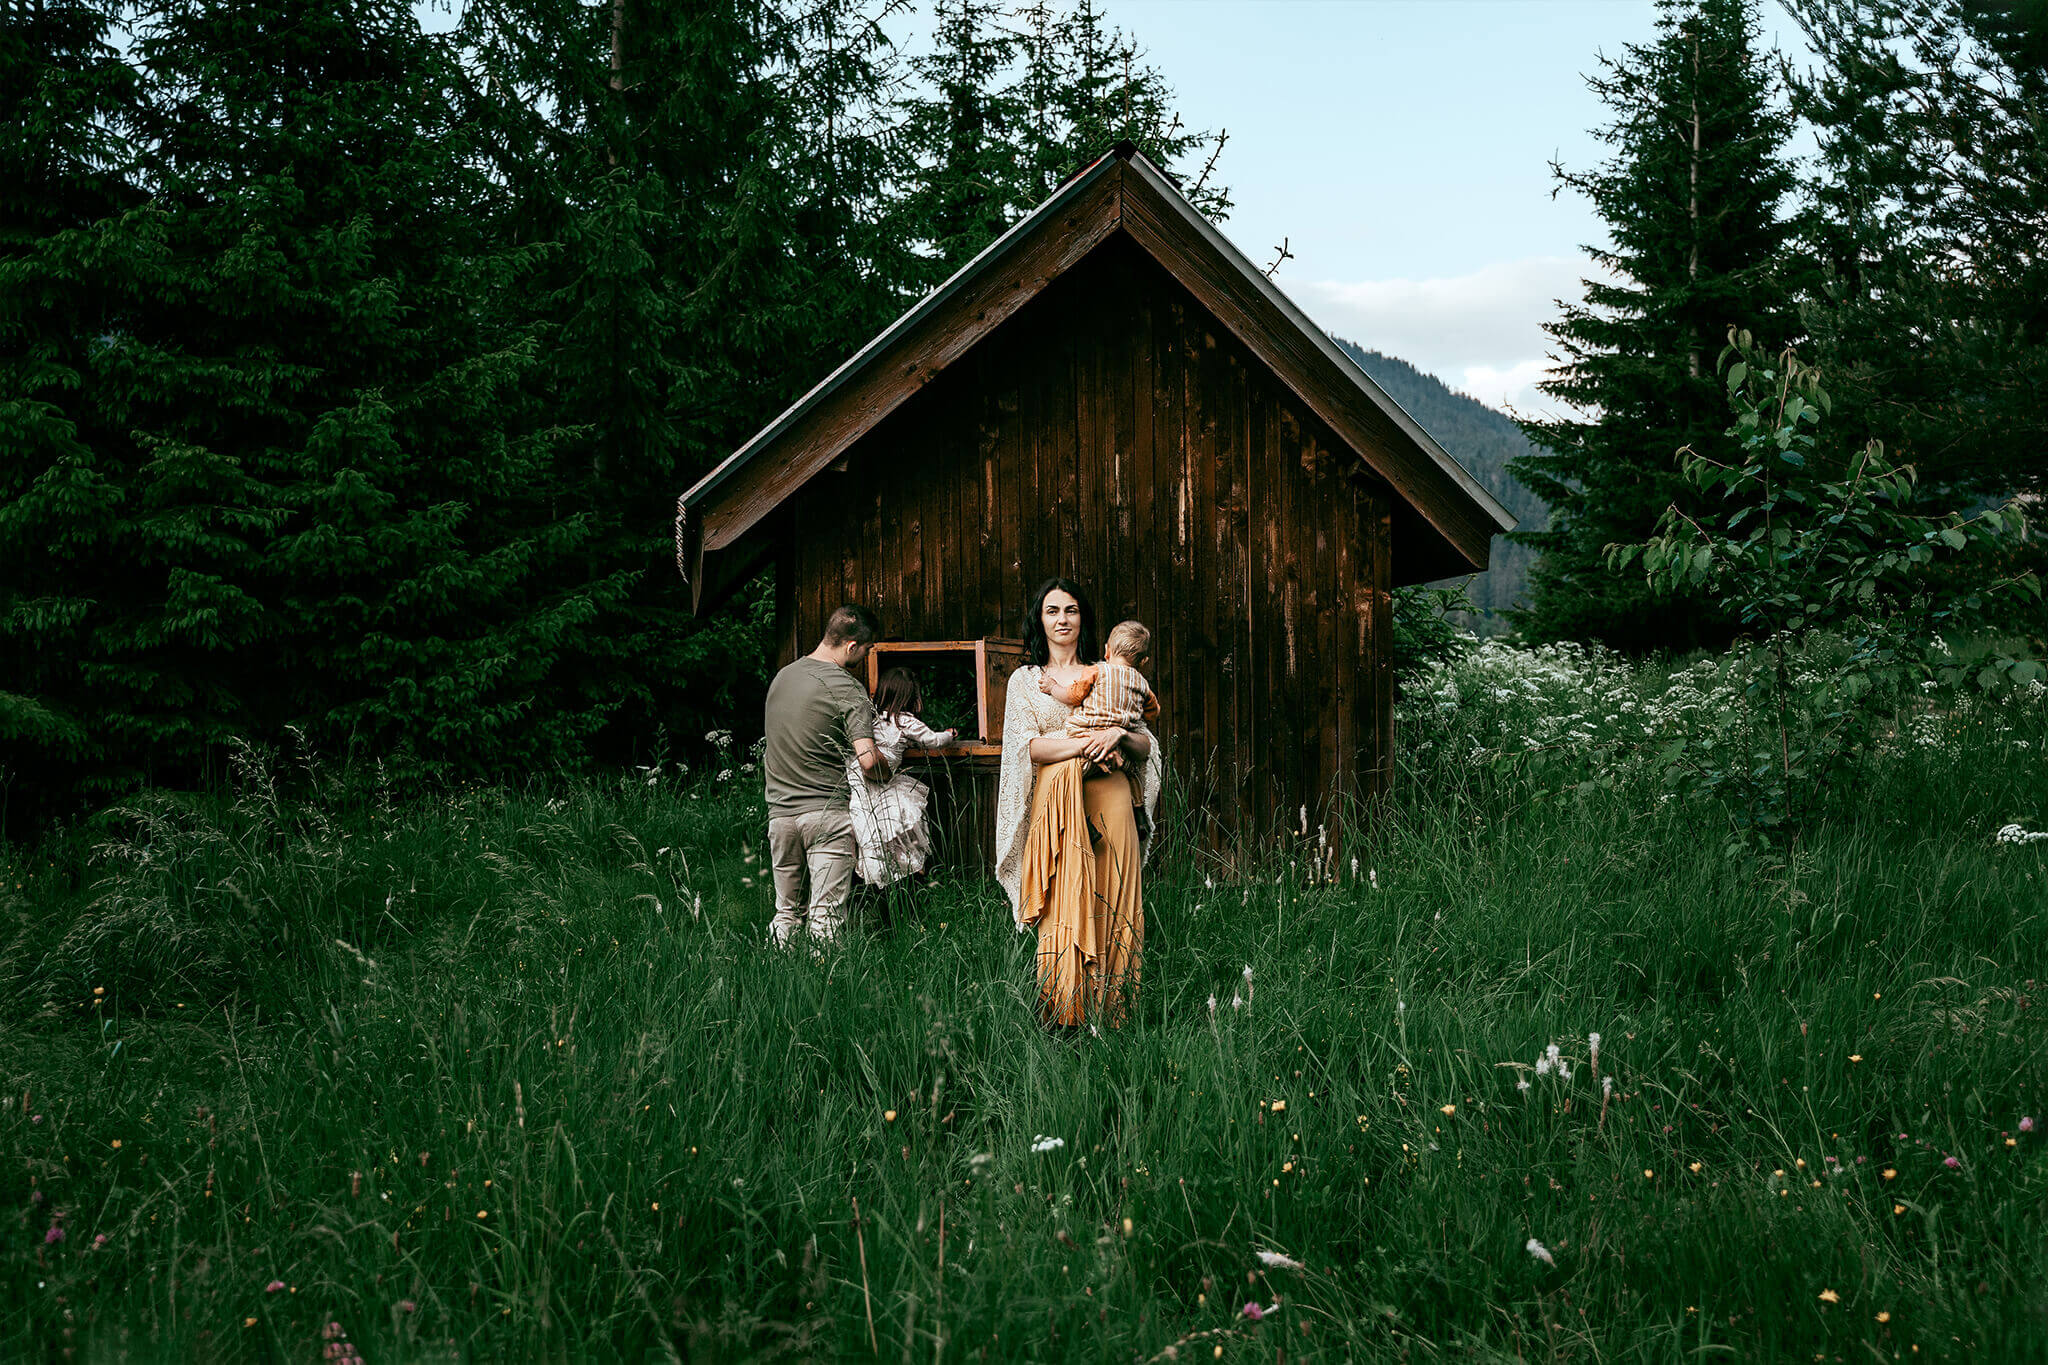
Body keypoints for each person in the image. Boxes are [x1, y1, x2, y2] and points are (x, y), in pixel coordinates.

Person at [994, 579, 1161, 1026]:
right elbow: (1026, 748)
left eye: (1070, 610)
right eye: (1052, 611)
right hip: (1059, 799)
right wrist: (1087, 743)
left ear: (1083, 618)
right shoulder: (1027, 682)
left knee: (1116, 892)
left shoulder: (1111, 673)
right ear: (1040, 620)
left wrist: (1120, 735)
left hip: (1111, 793)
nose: (1062, 619)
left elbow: (1147, 746)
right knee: (1066, 897)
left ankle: (1116, 1011)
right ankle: (1064, 1011)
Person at [763, 604, 888, 946]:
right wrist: (886, 768)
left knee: (786, 913)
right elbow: (867, 760)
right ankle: (823, 992)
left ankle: (774, 982)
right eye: (865, 650)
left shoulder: (782, 678)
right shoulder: (846, 687)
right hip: (825, 816)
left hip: (780, 817)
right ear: (851, 646)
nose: (864, 656)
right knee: (826, 917)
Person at [1038, 618, 1159, 837]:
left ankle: (1084, 825)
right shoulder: (1142, 684)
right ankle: (1140, 814)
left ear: (1108, 650)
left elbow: (1072, 696)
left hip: (1089, 739)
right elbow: (1153, 712)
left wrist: (1052, 686)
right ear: (1143, 661)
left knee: (1069, 780)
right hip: (1119, 745)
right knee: (1132, 774)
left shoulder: (1097, 671)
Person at [847, 667, 958, 887]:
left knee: (869, 829)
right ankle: (899, 878)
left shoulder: (870, 718)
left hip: (859, 781)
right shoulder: (904, 721)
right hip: (883, 780)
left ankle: (872, 880)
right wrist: (949, 735)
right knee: (896, 827)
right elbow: (934, 741)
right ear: (911, 695)